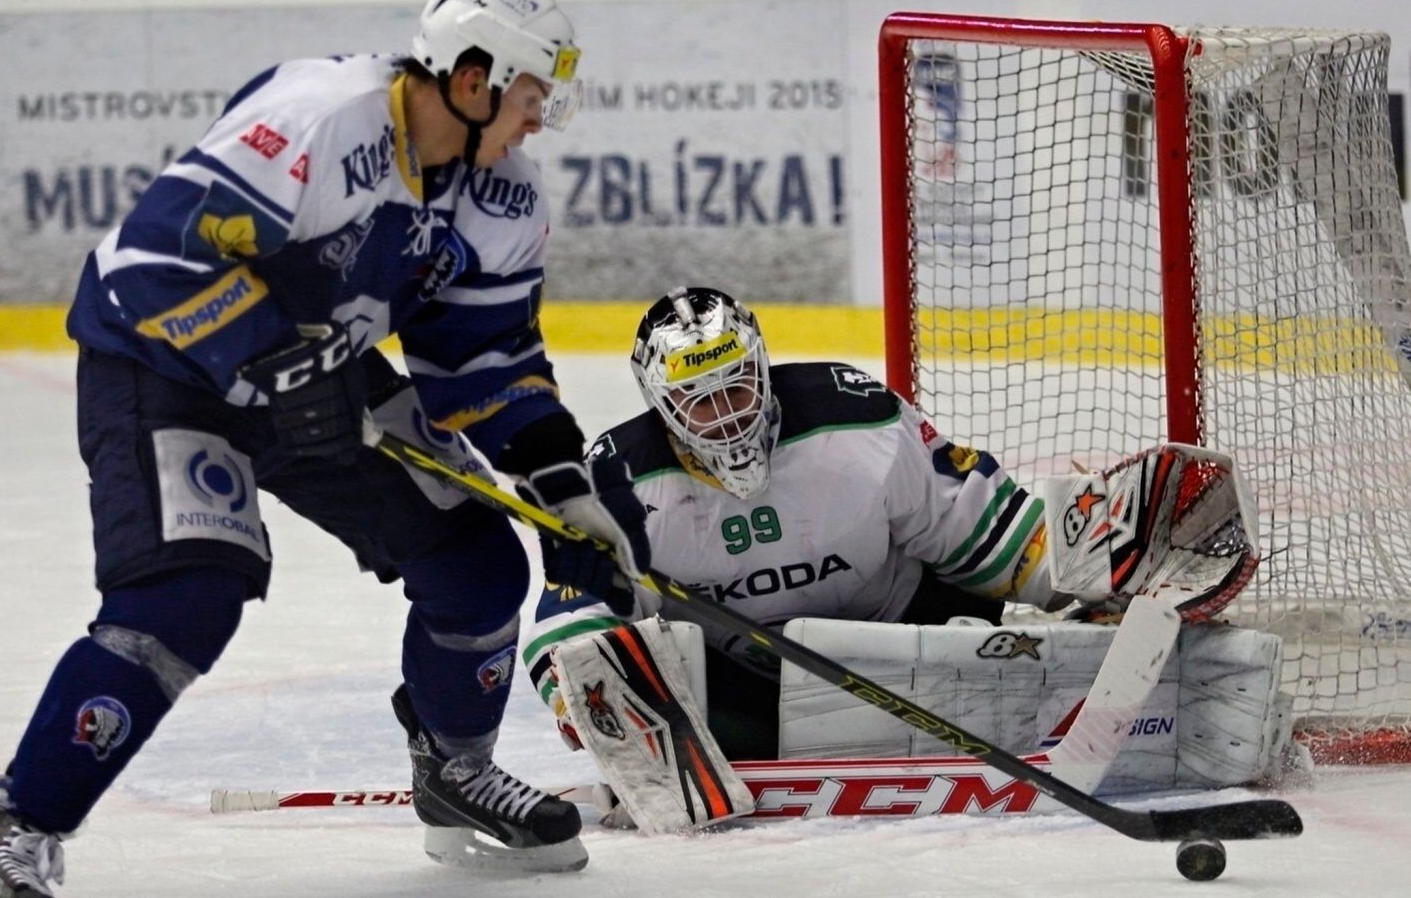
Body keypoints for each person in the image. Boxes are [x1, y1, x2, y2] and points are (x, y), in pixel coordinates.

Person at [0, 0, 649, 898]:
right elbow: (148, 263)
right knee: (185, 595)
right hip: (165, 367)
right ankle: (6, 844)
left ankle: (454, 769)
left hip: (322, 375)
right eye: (529, 95)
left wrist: (564, 489)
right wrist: (264, 357)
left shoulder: (500, 194)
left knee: (478, 563)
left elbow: (483, 359)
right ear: (472, 78)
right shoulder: (322, 117)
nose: (538, 120)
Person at [523, 286, 1261, 833]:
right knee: (636, 666)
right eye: (701, 401)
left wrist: (1085, 577)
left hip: (919, 638)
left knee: (1002, 615)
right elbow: (571, 625)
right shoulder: (618, 483)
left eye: (739, 386)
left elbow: (976, 528)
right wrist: (583, 699)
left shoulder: (859, 421)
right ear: (661, 403)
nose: (730, 413)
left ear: (763, 366)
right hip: (746, 689)